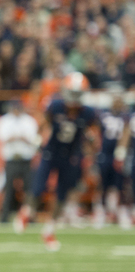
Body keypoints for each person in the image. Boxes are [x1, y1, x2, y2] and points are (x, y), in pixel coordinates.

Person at [14, 72, 98, 250]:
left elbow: (92, 135)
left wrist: (90, 144)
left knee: (62, 195)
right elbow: (45, 122)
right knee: (38, 188)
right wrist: (38, 139)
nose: (74, 98)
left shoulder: (88, 113)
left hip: (72, 156)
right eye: (72, 93)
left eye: (78, 93)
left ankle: (49, 230)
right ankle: (26, 212)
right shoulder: (56, 105)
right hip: (51, 152)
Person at [0, 100, 39, 224]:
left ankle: (29, 216)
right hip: (11, 159)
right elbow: (1, 137)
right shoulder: (4, 120)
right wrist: (17, 138)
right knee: (8, 188)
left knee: (29, 189)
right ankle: (5, 216)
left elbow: (34, 139)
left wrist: (20, 138)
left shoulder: (29, 120)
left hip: (26, 158)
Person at [91, 89, 131, 229]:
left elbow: (126, 132)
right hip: (104, 154)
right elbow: (95, 132)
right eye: (116, 100)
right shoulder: (103, 115)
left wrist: (121, 152)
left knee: (120, 185)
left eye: (120, 100)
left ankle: (120, 212)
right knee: (103, 185)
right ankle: (101, 211)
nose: (117, 103)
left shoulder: (126, 116)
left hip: (118, 155)